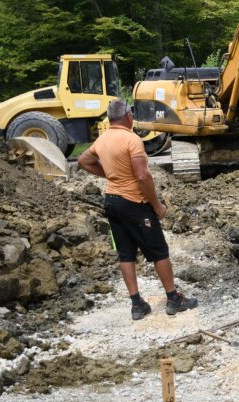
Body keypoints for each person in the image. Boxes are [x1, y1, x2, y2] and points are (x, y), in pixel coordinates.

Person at [77, 100, 197, 320]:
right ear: (129, 117)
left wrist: (110, 175)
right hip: (134, 203)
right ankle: (173, 299)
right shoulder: (132, 139)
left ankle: (137, 305)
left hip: (112, 202)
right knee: (159, 251)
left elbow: (83, 160)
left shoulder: (102, 140)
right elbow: (142, 176)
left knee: (126, 254)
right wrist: (157, 205)